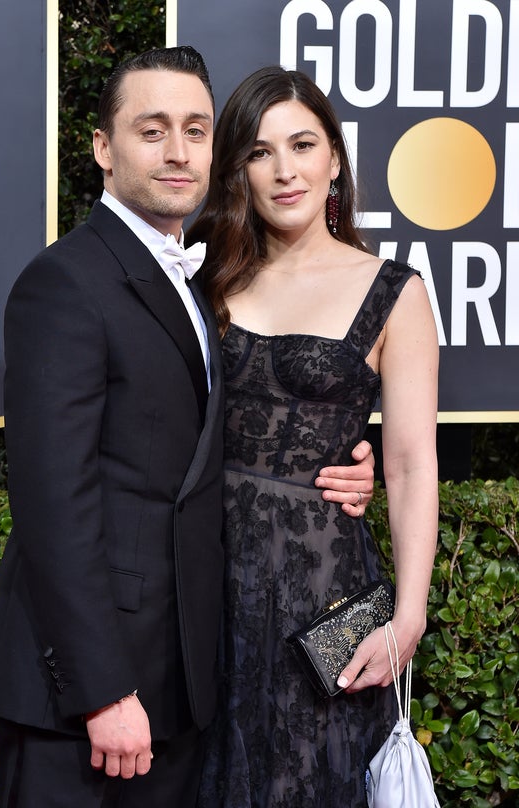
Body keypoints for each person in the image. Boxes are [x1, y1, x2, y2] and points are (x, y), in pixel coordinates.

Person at [0, 47, 377, 807]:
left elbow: (226, 436)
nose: (178, 150)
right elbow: (52, 501)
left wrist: (351, 458)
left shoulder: (200, 281)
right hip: (91, 706)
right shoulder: (64, 282)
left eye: (196, 129)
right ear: (102, 147)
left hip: (183, 691)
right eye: (151, 130)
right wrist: (102, 693)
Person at [189, 65, 439, 807]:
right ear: (239, 170)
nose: (284, 169)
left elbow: (411, 462)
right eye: (260, 152)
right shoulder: (207, 274)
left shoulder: (394, 291)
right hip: (206, 580)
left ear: (334, 157)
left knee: (313, 779)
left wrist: (410, 614)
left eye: (302, 144)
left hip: (323, 594)